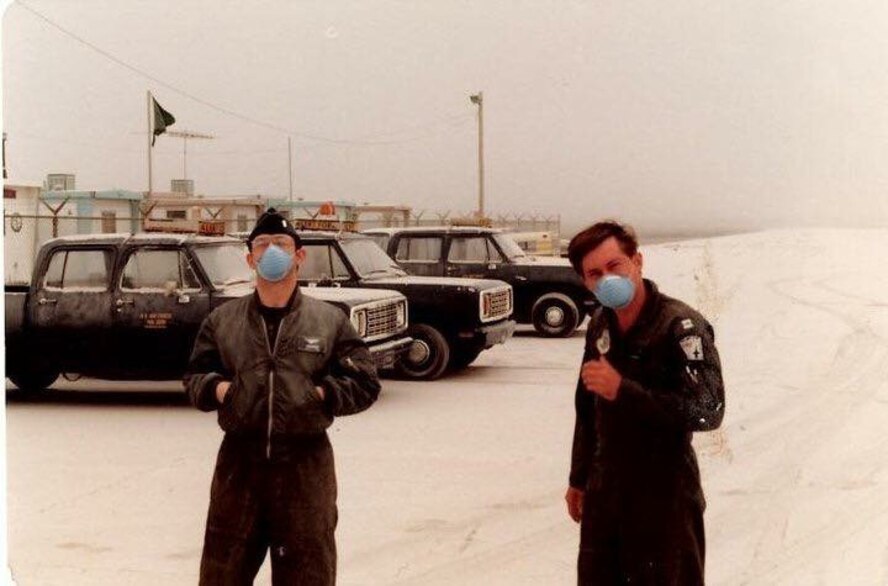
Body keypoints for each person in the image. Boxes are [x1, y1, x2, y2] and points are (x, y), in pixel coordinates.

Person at [184, 208, 381, 585]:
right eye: (262, 244)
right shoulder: (223, 322)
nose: (271, 251)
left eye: (281, 244)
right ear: (250, 258)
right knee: (221, 576)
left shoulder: (329, 321)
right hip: (239, 470)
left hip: (305, 471)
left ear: (299, 256)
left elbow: (365, 383)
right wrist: (221, 389)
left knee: (307, 576)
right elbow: (194, 378)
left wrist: (321, 393)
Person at [564, 221, 725, 585]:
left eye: (614, 266)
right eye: (594, 273)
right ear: (585, 282)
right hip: (606, 496)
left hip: (665, 498)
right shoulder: (600, 324)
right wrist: (579, 478)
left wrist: (625, 390)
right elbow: (587, 407)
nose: (606, 279)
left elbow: (708, 409)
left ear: (637, 261)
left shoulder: (680, 326)